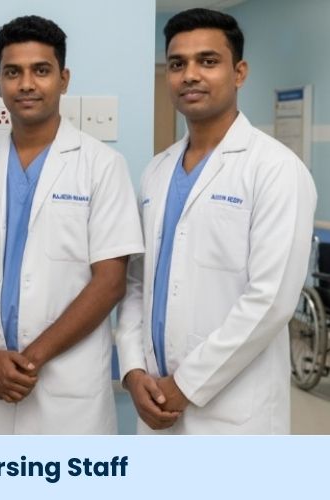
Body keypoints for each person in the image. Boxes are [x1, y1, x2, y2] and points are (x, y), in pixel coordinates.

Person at [116, 8, 317, 434]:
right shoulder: (156, 171)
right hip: (153, 396)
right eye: (177, 64)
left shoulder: (276, 169)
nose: (190, 75)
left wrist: (185, 386)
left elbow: (270, 300)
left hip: (234, 414)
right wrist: (132, 370)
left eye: (207, 61)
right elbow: (136, 283)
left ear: (239, 72)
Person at [0, 16, 144, 434]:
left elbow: (110, 282)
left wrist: (31, 360)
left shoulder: (102, 166)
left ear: (64, 79)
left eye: (41, 70)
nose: (26, 84)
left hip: (67, 386)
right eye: (13, 72)